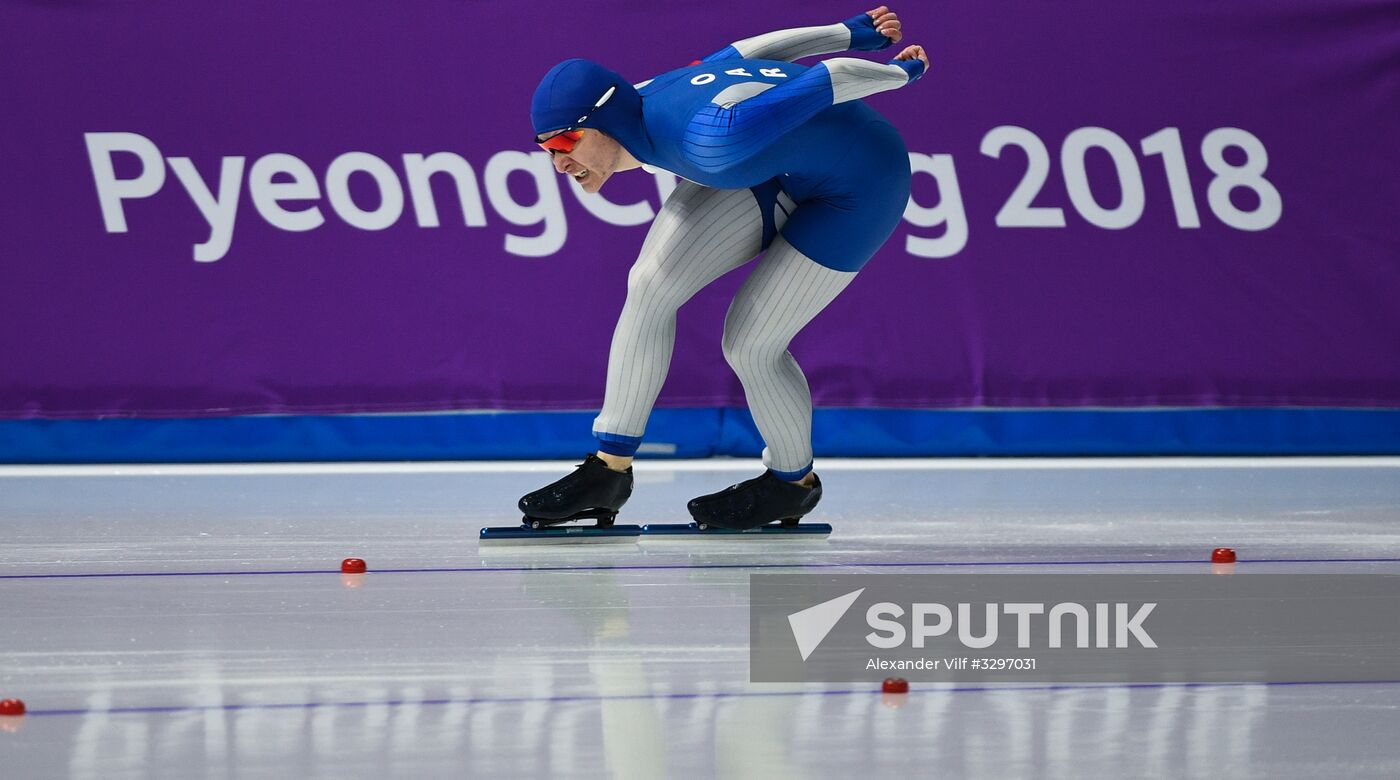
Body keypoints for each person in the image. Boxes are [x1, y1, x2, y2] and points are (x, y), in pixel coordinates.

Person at [518, 7, 927, 531]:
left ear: (605, 123)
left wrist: (901, 71)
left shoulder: (710, 138)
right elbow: (748, 51)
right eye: (545, 148)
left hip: (861, 184)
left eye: (566, 143)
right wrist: (846, 32)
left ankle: (790, 483)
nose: (557, 162)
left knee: (750, 343)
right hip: (777, 162)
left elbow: (833, 78)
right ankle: (607, 472)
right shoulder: (643, 98)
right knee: (648, 287)